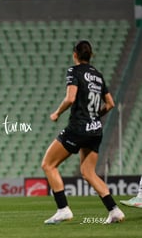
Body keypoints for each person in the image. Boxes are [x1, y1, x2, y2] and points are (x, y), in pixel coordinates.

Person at [41, 40, 125, 224]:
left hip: (79, 127)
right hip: (95, 129)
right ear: (90, 55)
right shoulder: (98, 75)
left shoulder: (74, 71)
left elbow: (70, 98)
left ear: (75, 55)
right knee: (88, 172)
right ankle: (114, 210)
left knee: (48, 164)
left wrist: (56, 113)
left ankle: (63, 209)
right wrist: (95, 115)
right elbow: (110, 104)